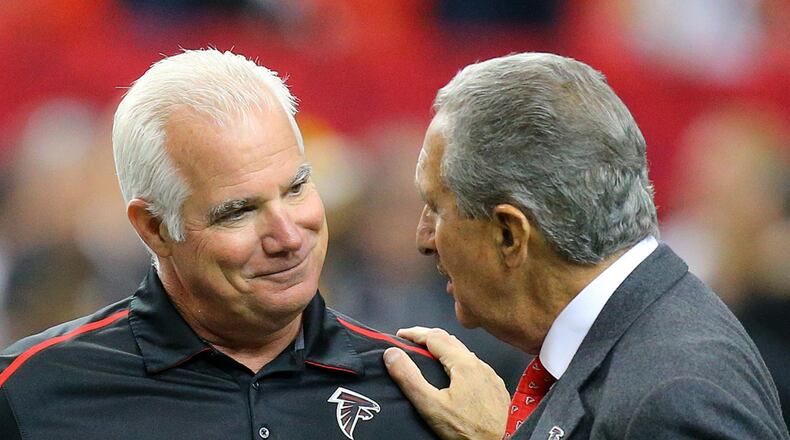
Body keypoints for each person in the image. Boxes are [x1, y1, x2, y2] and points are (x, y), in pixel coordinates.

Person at [0, 49, 447, 440]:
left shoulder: (423, 389)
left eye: (296, 188)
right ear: (154, 228)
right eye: (238, 212)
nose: (289, 237)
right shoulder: (28, 394)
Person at [382, 52, 790, 440]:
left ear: (510, 234)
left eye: (436, 209)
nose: (424, 239)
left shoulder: (675, 396)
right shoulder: (633, 340)